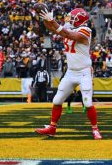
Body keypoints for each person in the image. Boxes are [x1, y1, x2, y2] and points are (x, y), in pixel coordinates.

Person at [35, 8, 102, 139]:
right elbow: (53, 29)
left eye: (72, 18)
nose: (69, 19)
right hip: (71, 71)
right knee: (57, 99)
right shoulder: (69, 27)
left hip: (84, 72)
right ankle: (52, 128)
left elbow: (68, 35)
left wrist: (53, 21)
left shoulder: (86, 31)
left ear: (80, 20)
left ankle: (95, 129)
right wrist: (46, 18)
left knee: (87, 102)